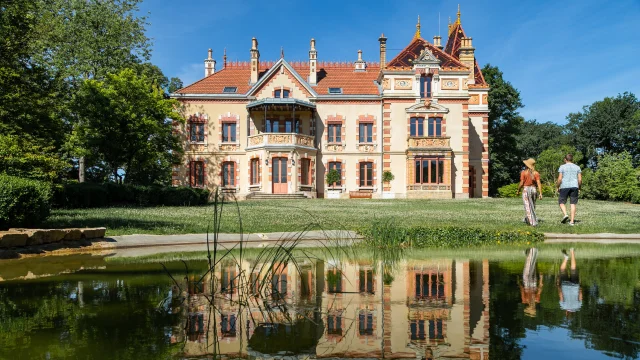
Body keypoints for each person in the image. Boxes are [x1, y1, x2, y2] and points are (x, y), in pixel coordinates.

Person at [556, 154, 582, 226]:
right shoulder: (577, 167)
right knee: (573, 204)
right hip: (574, 186)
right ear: (572, 159)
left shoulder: (562, 167)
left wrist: (557, 186)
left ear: (565, 159)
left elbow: (559, 179)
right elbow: (580, 180)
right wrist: (579, 188)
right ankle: (572, 222)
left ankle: (565, 214)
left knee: (561, 202)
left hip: (564, 186)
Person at [517, 158, 543, 226]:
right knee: (532, 205)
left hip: (526, 190)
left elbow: (521, 183)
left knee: (528, 206)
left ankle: (533, 223)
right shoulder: (536, 173)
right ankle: (527, 218)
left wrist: (518, 190)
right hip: (534, 190)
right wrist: (540, 193)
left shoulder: (524, 173)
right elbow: (539, 183)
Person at [557, 248, 582, 314]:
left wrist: (580, 288)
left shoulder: (578, 306)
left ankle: (572, 251)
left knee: (573, 269)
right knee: (562, 270)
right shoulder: (563, 306)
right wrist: (559, 288)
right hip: (565, 286)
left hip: (575, 286)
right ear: (567, 313)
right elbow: (561, 295)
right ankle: (566, 258)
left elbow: (580, 295)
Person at [519, 247, 543, 317]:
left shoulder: (527, 300)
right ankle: (531, 251)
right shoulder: (534, 300)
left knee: (530, 265)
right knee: (530, 265)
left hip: (530, 282)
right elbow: (539, 289)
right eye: (533, 308)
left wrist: (541, 279)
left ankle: (531, 251)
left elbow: (522, 290)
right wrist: (541, 279)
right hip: (530, 282)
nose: (533, 307)